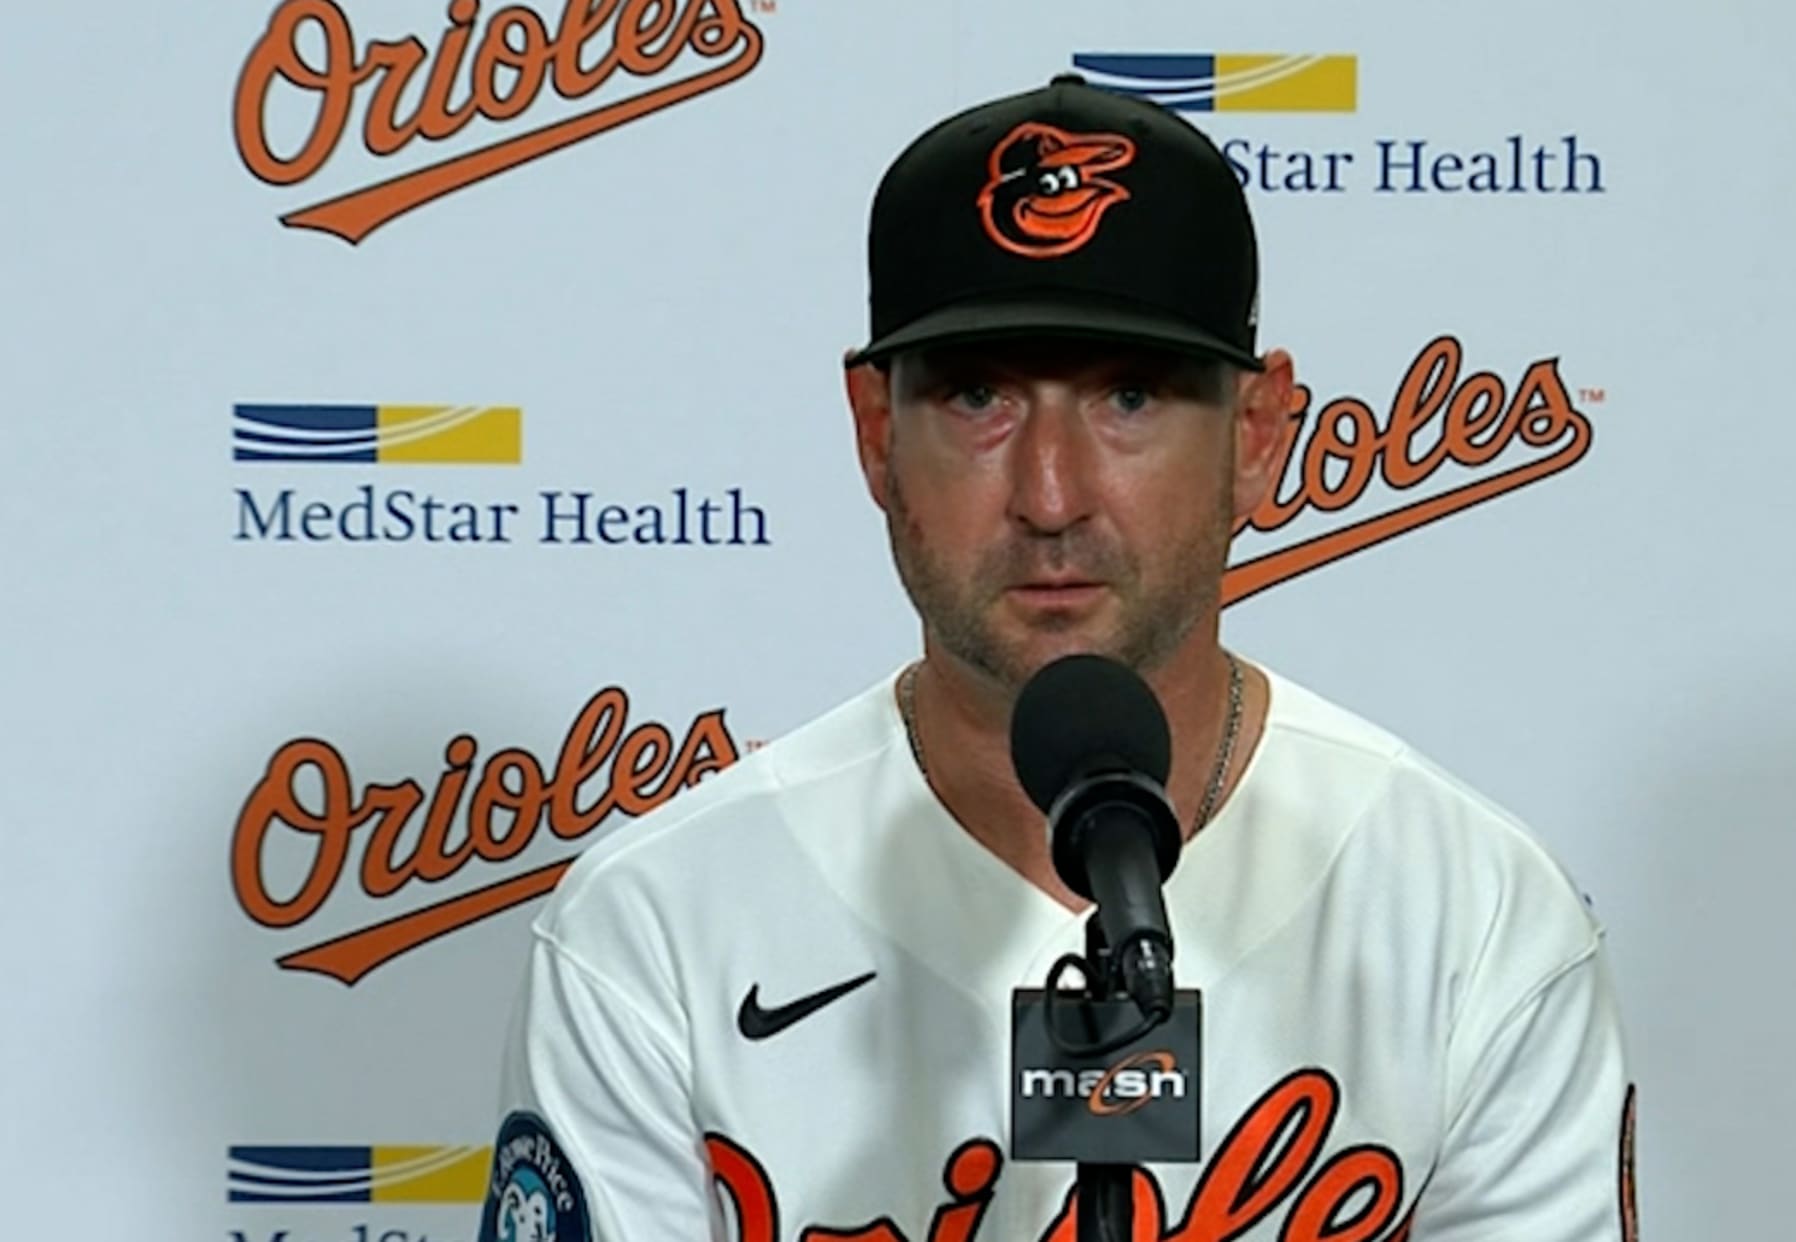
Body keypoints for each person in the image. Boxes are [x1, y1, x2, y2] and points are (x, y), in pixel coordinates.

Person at [476, 73, 1634, 1241]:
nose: (1050, 496)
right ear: (876, 433)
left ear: (1256, 437)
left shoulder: (1470, 913)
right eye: (979, 397)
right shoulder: (658, 925)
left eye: (1128, 398)